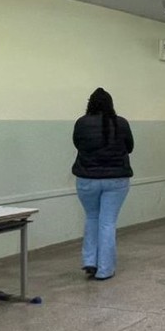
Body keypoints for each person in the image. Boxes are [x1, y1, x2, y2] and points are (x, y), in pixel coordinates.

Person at [72, 88, 134, 281]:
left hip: (86, 179)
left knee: (91, 218)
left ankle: (90, 261)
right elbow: (130, 147)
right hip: (116, 180)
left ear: (90, 103)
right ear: (110, 104)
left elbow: (77, 144)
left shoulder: (81, 123)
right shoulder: (121, 123)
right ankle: (105, 269)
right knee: (107, 223)